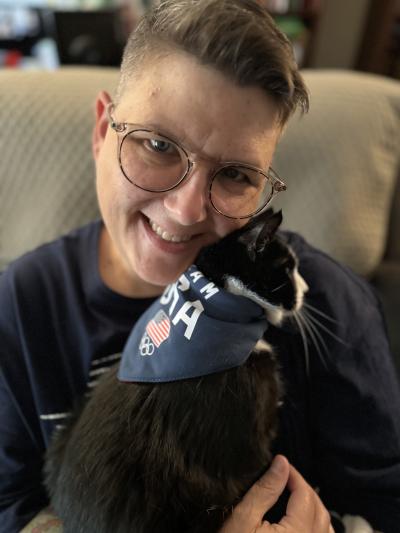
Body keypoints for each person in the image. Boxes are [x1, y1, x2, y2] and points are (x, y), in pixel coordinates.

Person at [1, 1, 399, 532]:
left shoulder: (330, 304)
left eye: (236, 175)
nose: (186, 210)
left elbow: (386, 502)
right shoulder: (21, 308)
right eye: (159, 145)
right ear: (102, 132)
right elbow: (12, 509)